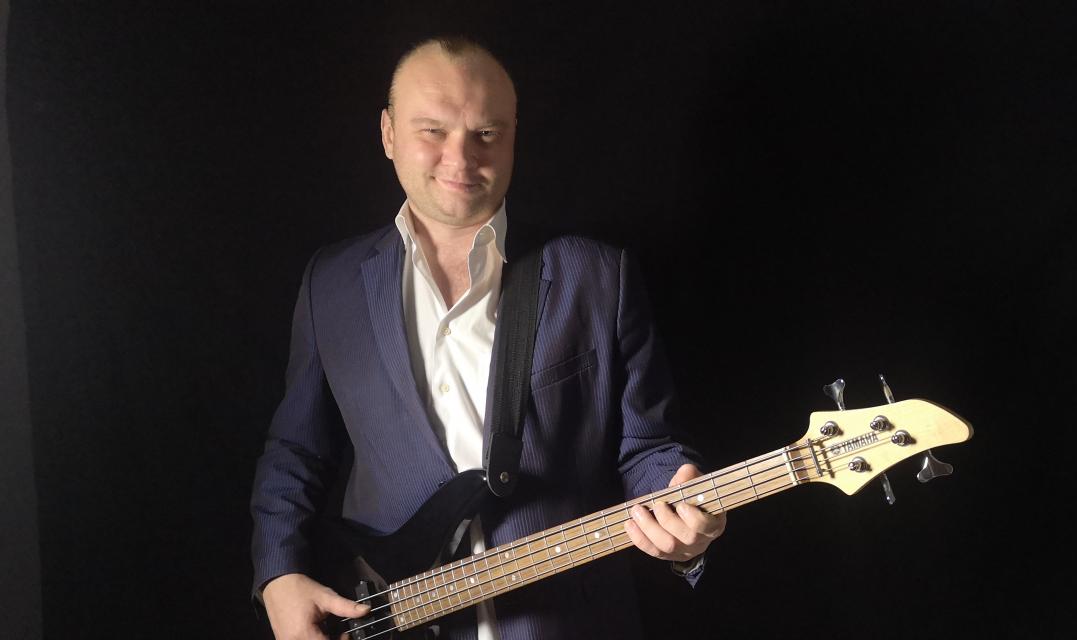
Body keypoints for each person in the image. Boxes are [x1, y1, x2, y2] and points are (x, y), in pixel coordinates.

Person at [250, 36, 725, 640]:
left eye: (486, 133)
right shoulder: (331, 283)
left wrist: (683, 512)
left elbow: (648, 448)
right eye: (432, 131)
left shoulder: (599, 276)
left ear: (513, 137)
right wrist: (280, 575)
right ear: (388, 133)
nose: (460, 157)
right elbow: (296, 451)